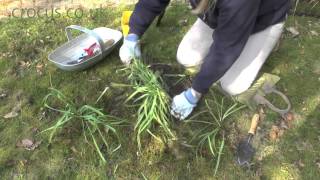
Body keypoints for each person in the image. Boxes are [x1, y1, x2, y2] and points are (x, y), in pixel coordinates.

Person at [119, 0, 291, 120]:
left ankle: (266, 38)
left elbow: (225, 49)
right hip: (220, 11)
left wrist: (194, 92)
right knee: (185, 57)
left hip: (263, 19)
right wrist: (132, 35)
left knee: (232, 86)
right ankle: (218, 17)